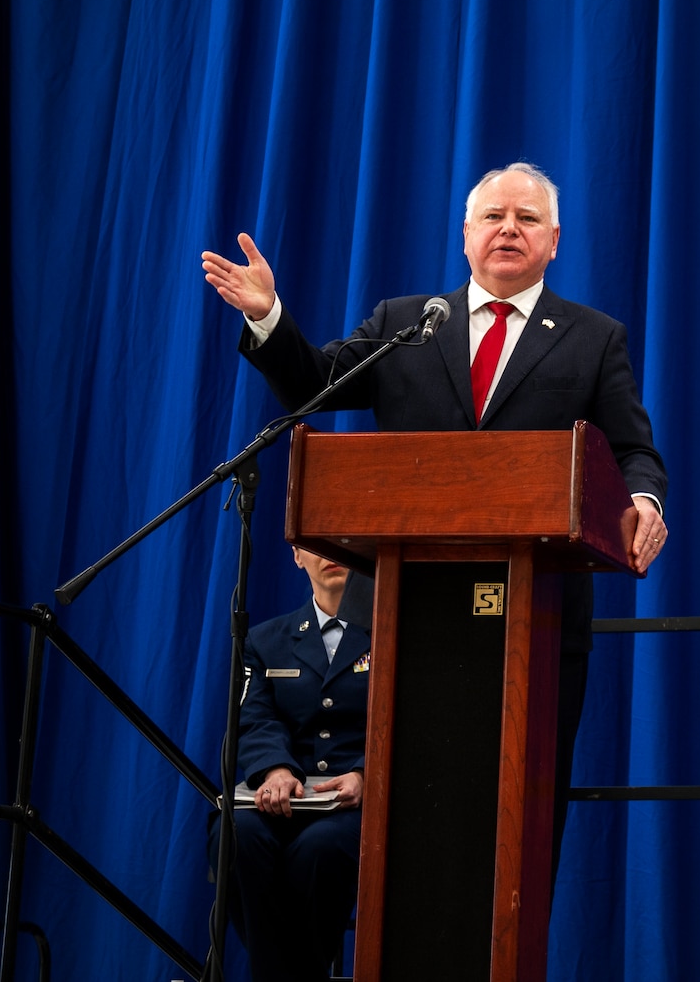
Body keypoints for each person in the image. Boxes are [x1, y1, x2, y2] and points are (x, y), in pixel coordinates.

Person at [199, 161, 669, 875]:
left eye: (528, 218)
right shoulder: (407, 323)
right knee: (405, 838)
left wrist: (644, 500)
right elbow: (312, 385)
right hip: (402, 616)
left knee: (518, 839)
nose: (509, 228)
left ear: (555, 240)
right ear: (465, 235)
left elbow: (632, 449)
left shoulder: (593, 337)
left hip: (535, 621)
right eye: (493, 216)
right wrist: (268, 315)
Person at [220, 545, 369, 982]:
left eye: (341, 537)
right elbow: (254, 717)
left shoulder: (395, 630)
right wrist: (275, 769)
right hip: (284, 796)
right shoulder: (265, 640)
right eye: (313, 541)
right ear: (296, 557)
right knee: (236, 833)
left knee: (318, 851)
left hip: (355, 804)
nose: (329, 549)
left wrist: (365, 773)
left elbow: (411, 720)